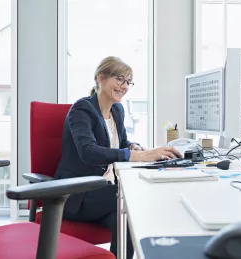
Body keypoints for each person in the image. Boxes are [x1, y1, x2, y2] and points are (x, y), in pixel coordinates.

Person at [55, 56, 182, 258]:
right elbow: (88, 152)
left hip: (104, 192)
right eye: (120, 79)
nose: (125, 86)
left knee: (124, 220)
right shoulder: (82, 110)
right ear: (101, 78)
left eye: (128, 82)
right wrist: (140, 156)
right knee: (133, 199)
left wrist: (133, 146)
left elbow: (120, 143)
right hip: (77, 194)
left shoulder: (117, 110)